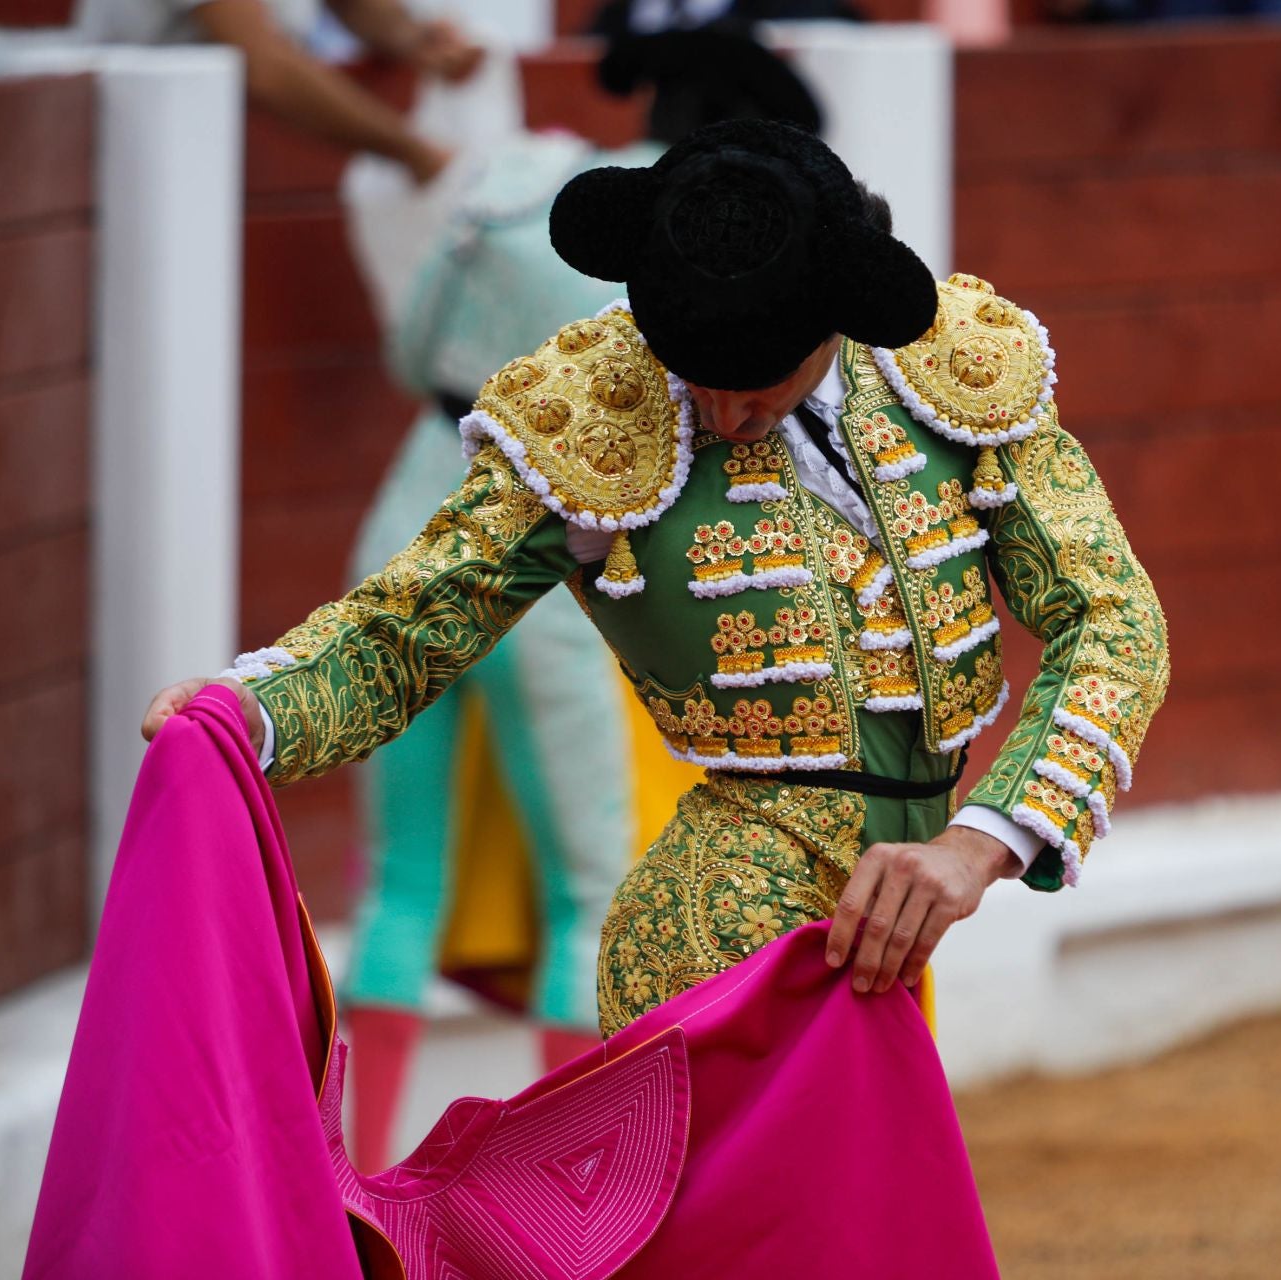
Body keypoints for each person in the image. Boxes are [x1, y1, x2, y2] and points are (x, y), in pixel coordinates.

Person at [144, 119, 1169, 1036]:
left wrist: (981, 839)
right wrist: (249, 713)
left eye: (757, 381)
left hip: (898, 913)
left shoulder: (954, 370)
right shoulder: (590, 406)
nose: (723, 415)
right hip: (724, 911)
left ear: (835, 319)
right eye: (697, 374)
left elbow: (1112, 616)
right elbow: (406, 627)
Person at [326, 11, 829, 1169]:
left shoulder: (516, 181)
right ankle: (556, 1185)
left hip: (402, 539)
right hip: (535, 581)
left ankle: (344, 1181)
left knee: (400, 884)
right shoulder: (691, 268)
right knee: (587, 892)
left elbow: (412, 357)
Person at [74, 0, 481, 185]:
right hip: (135, 167)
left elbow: (353, 6)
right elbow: (267, 70)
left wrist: (411, 35)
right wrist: (412, 151)